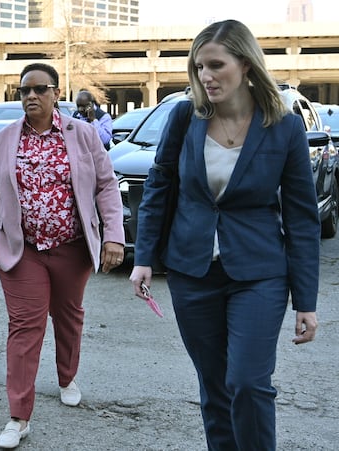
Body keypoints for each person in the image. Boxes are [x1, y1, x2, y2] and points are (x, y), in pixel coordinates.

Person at [129, 20, 320, 450]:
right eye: (199, 67)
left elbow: (303, 218)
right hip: (192, 274)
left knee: (248, 383)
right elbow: (159, 186)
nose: (205, 76)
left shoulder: (284, 127)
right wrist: (143, 257)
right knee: (215, 389)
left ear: (247, 65)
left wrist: (306, 302)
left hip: (258, 273)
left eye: (216, 65)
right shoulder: (185, 116)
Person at [0, 63, 125, 449]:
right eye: (25, 90)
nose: (31, 96)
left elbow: (107, 186)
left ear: (56, 94)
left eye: (40, 89)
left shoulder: (83, 134)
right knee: (25, 327)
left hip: (72, 247)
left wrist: (114, 237)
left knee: (69, 315)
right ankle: (18, 416)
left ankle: (66, 375)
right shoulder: (6, 139)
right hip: (21, 250)